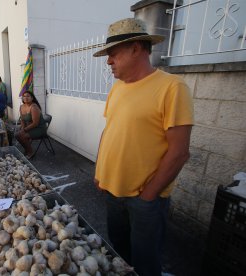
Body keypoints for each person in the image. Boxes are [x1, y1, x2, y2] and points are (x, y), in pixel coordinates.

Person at [93, 18, 193, 276]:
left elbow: (180, 151)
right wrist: (99, 170)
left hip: (144, 199)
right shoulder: (118, 88)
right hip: (112, 191)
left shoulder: (172, 87)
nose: (108, 61)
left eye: (113, 54)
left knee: (146, 262)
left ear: (136, 48)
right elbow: (110, 130)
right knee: (120, 254)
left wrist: (148, 195)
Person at [15, 91, 47, 159]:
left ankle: (30, 152)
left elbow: (35, 123)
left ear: (32, 98)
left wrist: (24, 130)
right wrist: (22, 128)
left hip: (39, 128)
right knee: (17, 135)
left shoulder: (34, 107)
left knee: (23, 136)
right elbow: (22, 120)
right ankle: (27, 149)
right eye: (24, 96)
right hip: (30, 127)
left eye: (28, 96)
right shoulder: (21, 107)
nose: (26, 97)